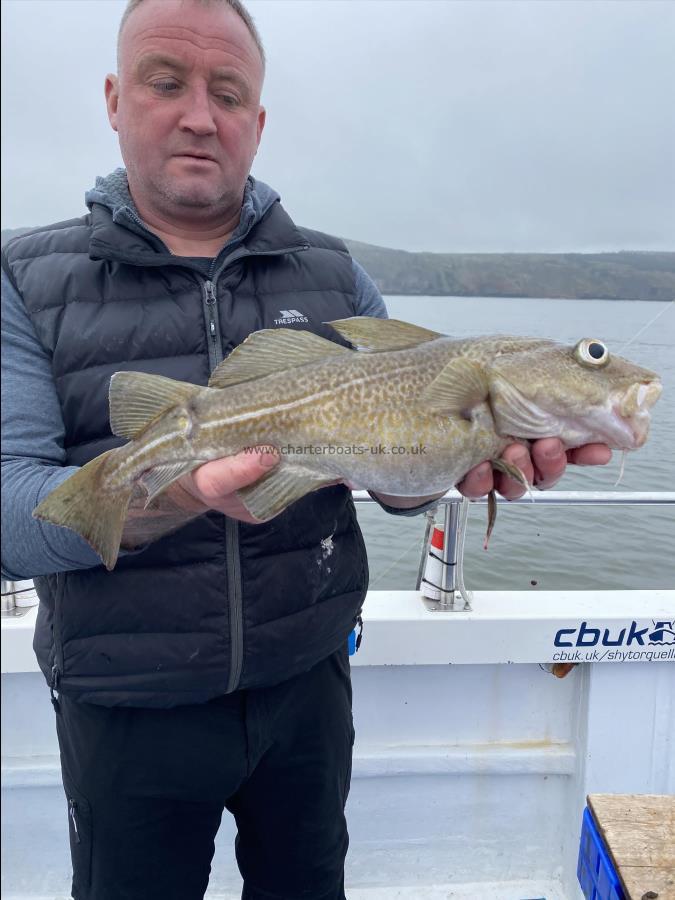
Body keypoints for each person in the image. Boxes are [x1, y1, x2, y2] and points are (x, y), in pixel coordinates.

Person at [0, 1, 612, 897]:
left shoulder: (334, 276)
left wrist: (456, 462)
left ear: (258, 119)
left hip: (308, 687)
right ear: (113, 98)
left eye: (228, 92)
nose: (199, 114)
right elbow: (15, 517)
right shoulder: (25, 278)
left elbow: (397, 477)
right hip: (126, 704)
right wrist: (180, 492)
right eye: (165, 82)